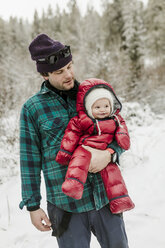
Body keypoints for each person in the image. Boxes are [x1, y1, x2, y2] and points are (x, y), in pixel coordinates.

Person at [19, 33, 130, 248]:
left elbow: (119, 131)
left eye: (70, 66)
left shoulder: (93, 94)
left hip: (104, 197)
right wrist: (33, 206)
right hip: (65, 206)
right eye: (60, 71)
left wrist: (110, 154)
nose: (68, 74)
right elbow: (29, 160)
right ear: (44, 74)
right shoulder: (33, 109)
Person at [56, 78, 135, 214]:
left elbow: (122, 130)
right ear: (88, 108)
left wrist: (122, 139)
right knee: (78, 162)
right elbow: (71, 135)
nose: (103, 110)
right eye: (97, 107)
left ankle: (120, 200)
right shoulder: (82, 120)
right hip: (85, 147)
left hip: (105, 150)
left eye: (106, 106)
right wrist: (65, 153)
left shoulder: (116, 119)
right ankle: (74, 184)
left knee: (113, 175)